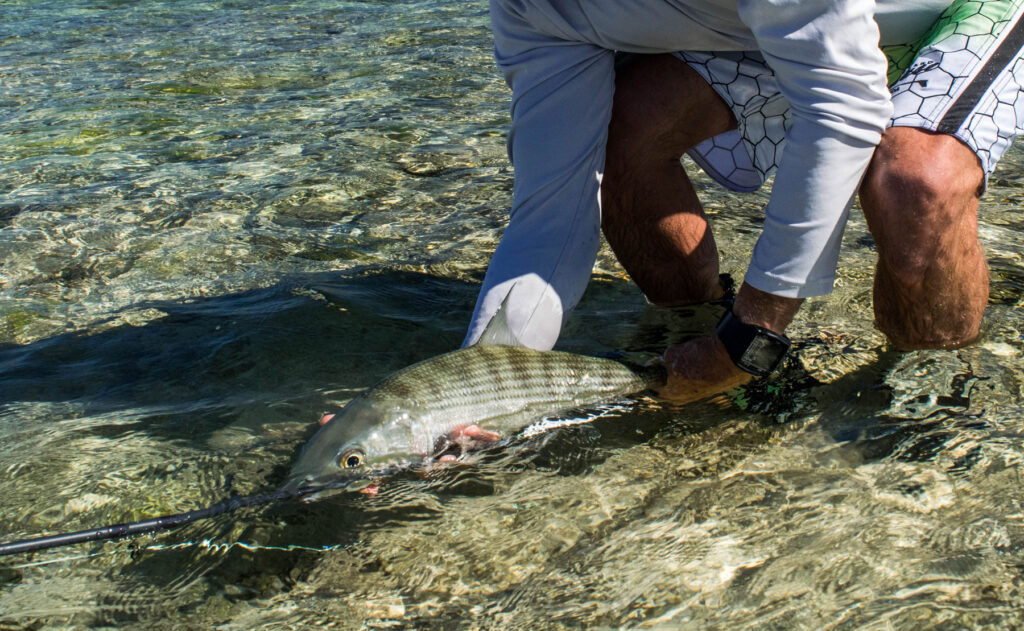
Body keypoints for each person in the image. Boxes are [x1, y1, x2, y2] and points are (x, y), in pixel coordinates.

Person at [464, 0, 1023, 402]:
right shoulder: (534, 9)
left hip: (958, 10)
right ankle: (703, 338)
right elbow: (551, 216)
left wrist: (754, 335)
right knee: (621, 131)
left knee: (915, 182)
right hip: (781, 21)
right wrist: (477, 385)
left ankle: (933, 393)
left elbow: (844, 110)